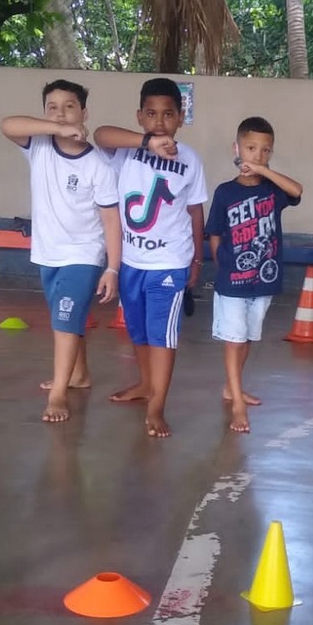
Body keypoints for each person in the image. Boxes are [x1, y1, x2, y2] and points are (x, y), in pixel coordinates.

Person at [0, 79, 122, 423]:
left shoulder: (98, 165)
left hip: (83, 255)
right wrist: (55, 127)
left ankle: (58, 394)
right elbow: (7, 125)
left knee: (64, 322)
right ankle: (79, 374)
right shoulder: (38, 145)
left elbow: (111, 221)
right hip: (47, 252)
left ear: (84, 112)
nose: (60, 113)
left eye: (69, 106)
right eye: (52, 107)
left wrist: (112, 268)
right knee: (68, 317)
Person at [93, 78, 207, 438]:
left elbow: (195, 211)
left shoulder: (190, 160)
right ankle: (145, 384)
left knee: (162, 336)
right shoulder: (127, 150)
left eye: (168, 114)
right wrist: (145, 142)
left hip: (169, 263)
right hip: (130, 261)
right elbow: (100, 134)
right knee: (139, 330)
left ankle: (157, 405)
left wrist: (197, 259)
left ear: (181, 118)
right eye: (152, 114)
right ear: (139, 116)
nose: (159, 121)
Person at [206, 116, 302, 433]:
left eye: (265, 150)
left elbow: (297, 190)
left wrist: (263, 171)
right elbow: (215, 233)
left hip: (263, 281)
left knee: (246, 337)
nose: (257, 155)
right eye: (250, 148)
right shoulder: (225, 192)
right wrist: (223, 266)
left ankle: (231, 387)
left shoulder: (273, 190)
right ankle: (237, 402)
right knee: (234, 340)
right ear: (237, 149)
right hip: (232, 282)